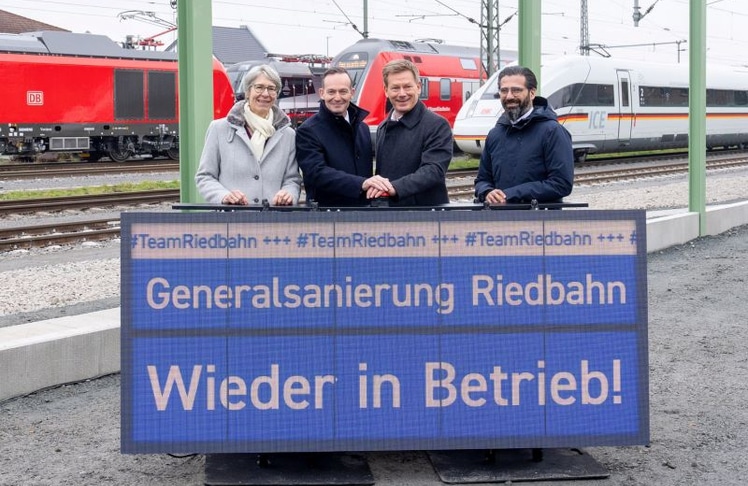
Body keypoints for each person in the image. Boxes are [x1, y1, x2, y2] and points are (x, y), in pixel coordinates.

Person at [195, 64, 301, 206]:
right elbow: (205, 177)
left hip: (273, 220)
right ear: (247, 92)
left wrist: (289, 194)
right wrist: (224, 196)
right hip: (231, 221)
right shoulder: (219, 129)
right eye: (259, 87)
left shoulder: (288, 135)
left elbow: (292, 180)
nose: (265, 94)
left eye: (271, 88)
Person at [474, 65, 574, 204]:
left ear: (532, 93)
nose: (509, 96)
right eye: (504, 91)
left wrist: (509, 195)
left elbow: (561, 183)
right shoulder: (495, 134)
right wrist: (486, 192)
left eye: (516, 90)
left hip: (540, 221)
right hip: (499, 220)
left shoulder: (552, 132)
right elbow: (482, 179)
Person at [368, 59, 453, 206]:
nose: (402, 94)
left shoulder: (437, 125)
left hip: (425, 216)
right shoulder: (383, 127)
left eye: (407, 86)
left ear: (418, 87)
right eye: (395, 88)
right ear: (386, 91)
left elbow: (433, 170)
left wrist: (395, 188)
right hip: (391, 214)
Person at [295, 66, 381, 206]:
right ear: (322, 93)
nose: (337, 97)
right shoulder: (308, 131)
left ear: (352, 93)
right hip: (326, 216)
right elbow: (316, 173)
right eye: (331, 92)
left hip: (363, 214)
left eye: (343, 91)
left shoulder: (363, 128)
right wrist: (361, 184)